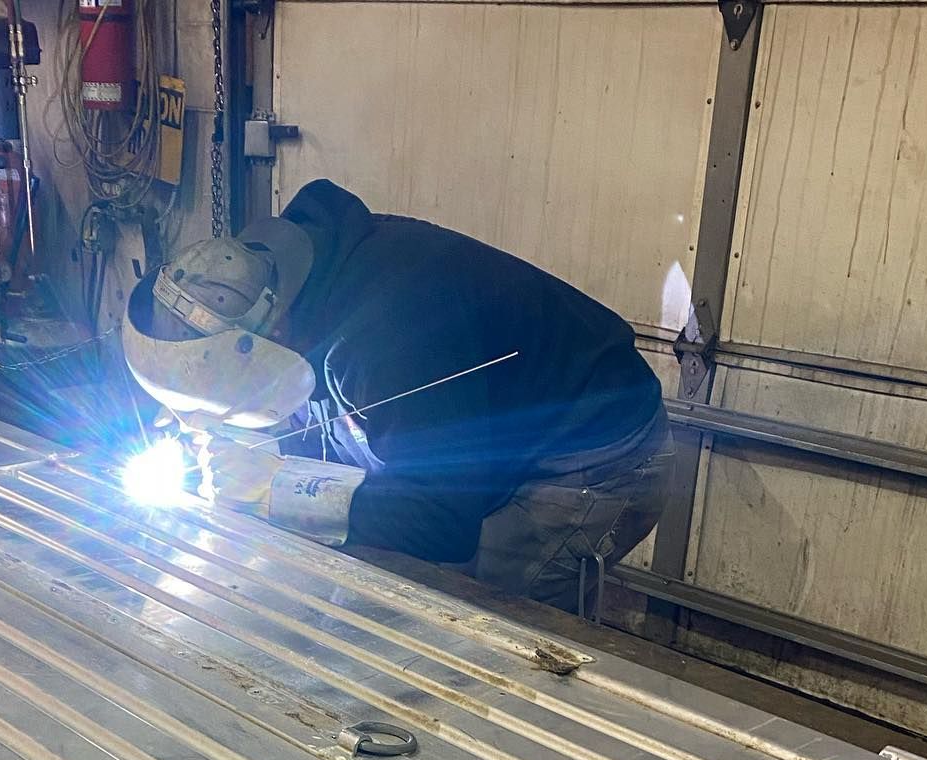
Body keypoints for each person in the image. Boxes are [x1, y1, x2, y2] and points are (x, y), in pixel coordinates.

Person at [122, 178, 672, 610]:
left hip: (590, 459)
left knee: (492, 624)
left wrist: (275, 490)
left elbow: (438, 526)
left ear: (263, 340)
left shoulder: (387, 342)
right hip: (482, 421)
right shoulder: (292, 278)